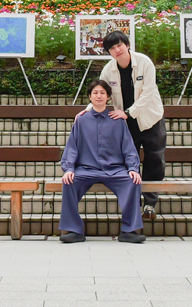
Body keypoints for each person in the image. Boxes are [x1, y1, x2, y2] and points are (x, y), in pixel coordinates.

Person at [79, 30, 167, 219]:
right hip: (125, 125)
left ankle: (150, 204)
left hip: (151, 119)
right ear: (109, 52)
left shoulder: (144, 63)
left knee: (155, 161)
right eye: (112, 48)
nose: (117, 50)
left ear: (127, 45)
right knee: (129, 163)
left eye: (120, 45)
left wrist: (128, 113)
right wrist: (87, 110)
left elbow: (148, 93)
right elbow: (100, 92)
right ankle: (133, 205)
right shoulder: (108, 69)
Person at [59, 79, 145, 244]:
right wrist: (69, 169)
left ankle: (129, 230)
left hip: (115, 169)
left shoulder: (118, 120)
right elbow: (72, 147)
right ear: (90, 97)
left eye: (102, 93)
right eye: (95, 93)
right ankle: (74, 230)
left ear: (108, 97)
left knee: (132, 181)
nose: (99, 96)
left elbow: (128, 147)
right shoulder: (81, 121)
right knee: (69, 182)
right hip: (86, 169)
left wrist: (133, 168)